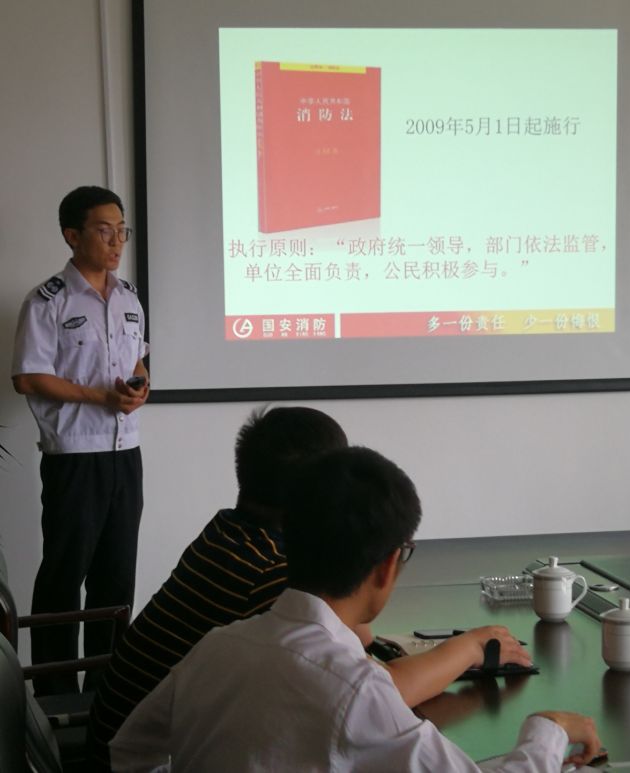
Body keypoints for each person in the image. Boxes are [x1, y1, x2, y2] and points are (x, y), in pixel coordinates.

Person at [90, 405, 532, 769]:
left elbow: (350, 642)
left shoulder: (227, 532)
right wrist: (471, 647)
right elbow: (368, 694)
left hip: (125, 737)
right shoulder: (269, 570)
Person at [11, 185, 149, 695]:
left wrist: (140, 388)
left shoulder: (129, 296)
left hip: (125, 454)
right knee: (64, 579)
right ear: (73, 236)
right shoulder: (47, 300)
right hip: (74, 457)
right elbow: (28, 377)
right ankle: (55, 695)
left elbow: (137, 361)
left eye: (122, 231)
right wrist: (100, 397)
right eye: (104, 230)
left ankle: (107, 690)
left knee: (117, 579)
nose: (117, 242)